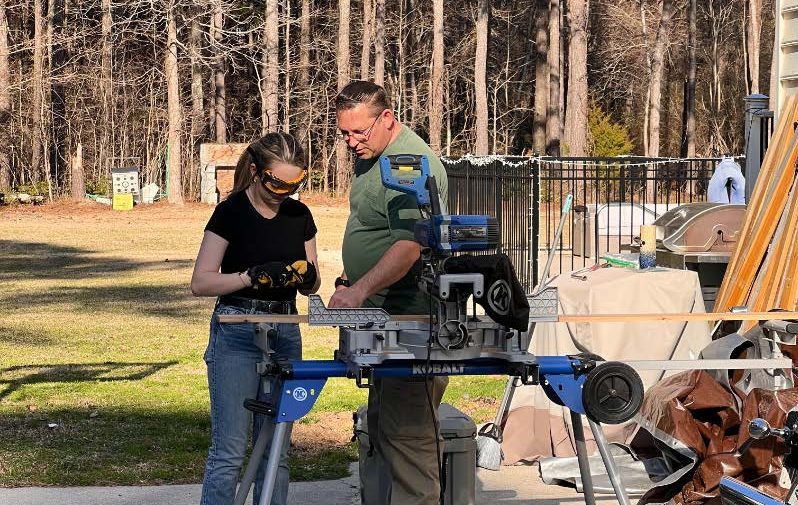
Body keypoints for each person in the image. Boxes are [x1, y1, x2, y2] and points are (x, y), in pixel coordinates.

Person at [329, 80, 449, 505]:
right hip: (382, 322)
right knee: (382, 427)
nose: (350, 142)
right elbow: (375, 228)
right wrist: (350, 280)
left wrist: (359, 291)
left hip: (410, 324)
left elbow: (409, 246)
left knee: (408, 438)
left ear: (387, 119)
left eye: (358, 133)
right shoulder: (372, 154)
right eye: (343, 133)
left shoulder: (408, 162)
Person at [190, 132, 320, 505]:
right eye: (278, 182)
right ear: (256, 171)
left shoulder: (300, 215)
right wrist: (249, 277)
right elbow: (200, 282)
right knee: (229, 452)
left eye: (296, 183)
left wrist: (308, 279)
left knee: (276, 450)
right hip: (237, 330)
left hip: (284, 330)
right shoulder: (231, 213)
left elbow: (311, 283)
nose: (285, 191)